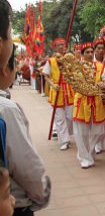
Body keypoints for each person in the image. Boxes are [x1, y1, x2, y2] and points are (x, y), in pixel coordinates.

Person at [0, 45, 51, 215]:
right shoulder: (6, 110)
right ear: (4, 69)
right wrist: (42, 195)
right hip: (13, 205)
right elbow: (26, 166)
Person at [73, 43, 105, 169]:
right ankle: (84, 158)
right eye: (86, 52)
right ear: (82, 54)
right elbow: (75, 82)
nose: (89, 54)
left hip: (96, 100)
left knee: (98, 131)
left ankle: (89, 153)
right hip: (82, 101)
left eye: (90, 51)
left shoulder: (99, 66)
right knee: (81, 132)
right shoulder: (77, 67)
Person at [42, 38, 74, 150]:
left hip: (69, 91)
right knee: (60, 118)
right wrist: (52, 84)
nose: (62, 46)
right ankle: (64, 141)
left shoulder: (69, 59)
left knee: (70, 117)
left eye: (63, 44)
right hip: (57, 91)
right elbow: (45, 75)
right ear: (55, 47)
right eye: (59, 45)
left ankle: (67, 134)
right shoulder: (51, 61)